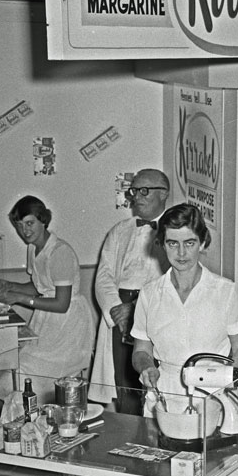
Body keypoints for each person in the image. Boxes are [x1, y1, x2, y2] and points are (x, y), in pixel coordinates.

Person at [0, 195, 95, 419]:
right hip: (48, 323)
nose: (25, 231)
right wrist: (12, 286)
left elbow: (61, 303)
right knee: (8, 379)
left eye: (30, 223)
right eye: (19, 226)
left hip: (66, 328)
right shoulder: (34, 249)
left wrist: (19, 298)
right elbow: (39, 286)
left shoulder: (60, 252)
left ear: (43, 220)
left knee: (19, 378)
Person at [131, 203, 238, 403]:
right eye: (172, 243)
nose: (181, 253)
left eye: (189, 243)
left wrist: (223, 381)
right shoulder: (149, 294)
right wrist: (147, 367)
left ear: (202, 243)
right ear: (161, 243)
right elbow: (141, 350)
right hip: (164, 393)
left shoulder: (225, 291)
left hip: (214, 393)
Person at [91, 169, 170, 414]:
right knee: (124, 384)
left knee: (154, 383)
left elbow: (175, 278)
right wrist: (118, 310)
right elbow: (103, 275)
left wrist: (136, 308)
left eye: (144, 190)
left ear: (164, 194)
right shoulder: (119, 230)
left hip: (156, 311)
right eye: (134, 190)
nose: (137, 196)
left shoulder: (176, 229)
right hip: (118, 313)